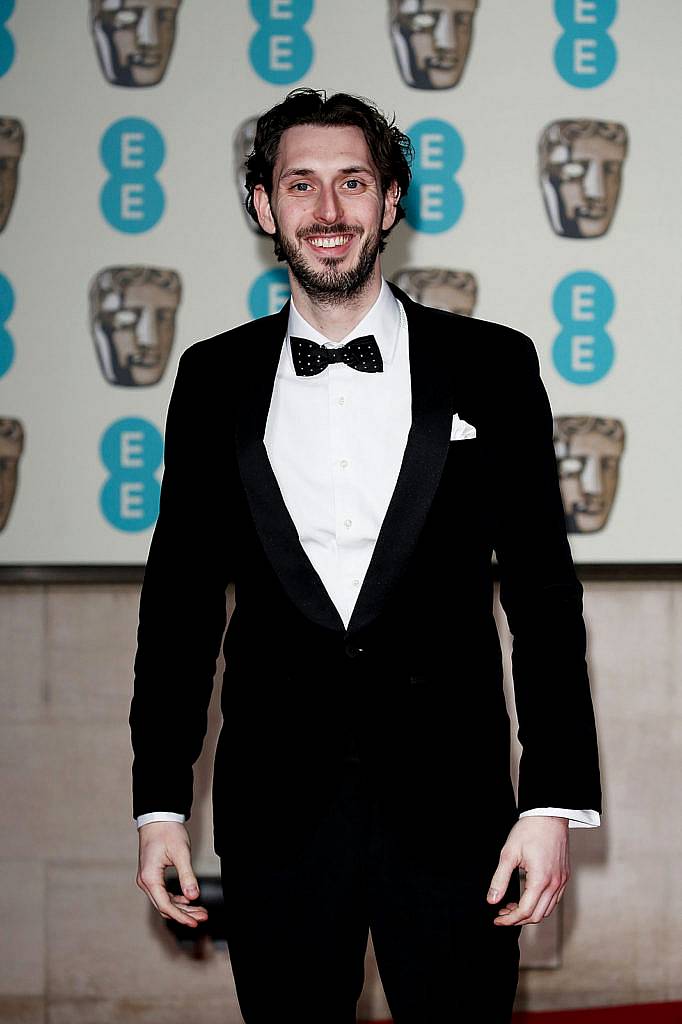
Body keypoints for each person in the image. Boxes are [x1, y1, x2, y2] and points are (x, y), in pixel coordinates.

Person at [130, 89, 601, 1023]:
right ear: (264, 206)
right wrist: (159, 806)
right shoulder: (211, 378)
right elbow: (180, 603)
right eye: (300, 184)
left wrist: (550, 804)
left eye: (353, 182)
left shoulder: (492, 365)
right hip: (277, 817)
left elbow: (545, 597)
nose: (329, 210)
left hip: (457, 813)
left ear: (391, 202)